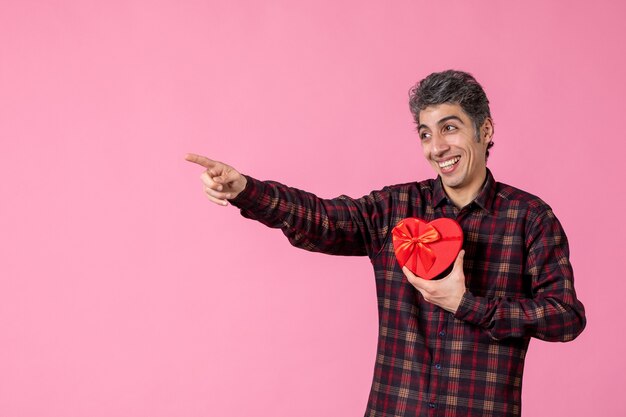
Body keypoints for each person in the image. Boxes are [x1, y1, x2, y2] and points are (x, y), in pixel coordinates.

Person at [185, 70, 586, 417]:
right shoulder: (396, 207)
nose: (437, 148)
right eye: (426, 134)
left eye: (450, 128)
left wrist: (468, 305)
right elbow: (324, 218)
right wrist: (245, 189)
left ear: (485, 130)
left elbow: (566, 317)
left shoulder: (530, 218)